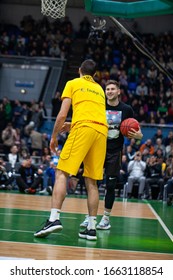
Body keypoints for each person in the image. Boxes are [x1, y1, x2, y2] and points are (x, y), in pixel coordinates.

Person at [34, 59, 108, 240]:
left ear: (80, 71)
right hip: (101, 132)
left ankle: (54, 219)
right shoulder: (99, 89)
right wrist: (73, 124)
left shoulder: (73, 83)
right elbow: (92, 115)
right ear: (95, 74)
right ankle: (91, 228)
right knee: (92, 182)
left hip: (83, 129)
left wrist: (53, 137)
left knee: (62, 172)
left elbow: (61, 115)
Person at [81, 80, 143, 230]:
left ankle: (106, 218)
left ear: (118, 91)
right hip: (97, 148)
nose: (109, 91)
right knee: (92, 184)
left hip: (115, 151)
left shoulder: (127, 109)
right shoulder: (99, 105)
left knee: (110, 185)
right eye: (107, 89)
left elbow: (135, 131)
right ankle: (90, 217)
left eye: (112, 89)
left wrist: (139, 136)